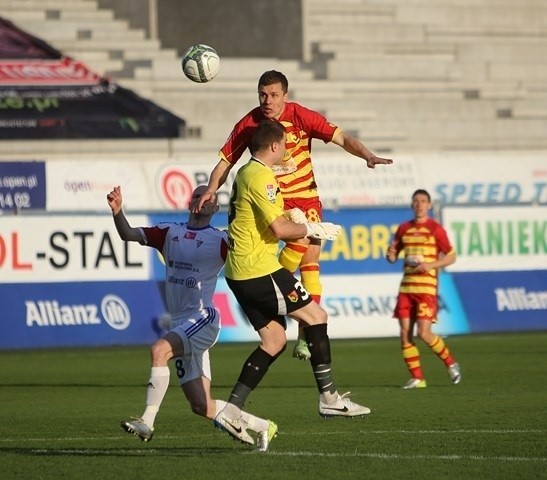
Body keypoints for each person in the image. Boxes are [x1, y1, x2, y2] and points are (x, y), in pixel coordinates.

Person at [193, 70, 393, 361]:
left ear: (285, 95)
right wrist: (212, 188)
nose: (267, 100)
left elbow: (342, 138)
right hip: (272, 200)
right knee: (294, 248)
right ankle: (287, 297)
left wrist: (367, 156)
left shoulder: (302, 116)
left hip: (305, 196)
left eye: (274, 95)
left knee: (309, 255)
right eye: (262, 94)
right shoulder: (250, 123)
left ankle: (304, 333)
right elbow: (225, 161)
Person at [213, 119, 371, 445]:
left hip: (239, 272)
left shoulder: (245, 173)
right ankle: (329, 398)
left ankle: (231, 409)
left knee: (273, 341)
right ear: (274, 146)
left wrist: (294, 218)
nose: (287, 149)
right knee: (317, 317)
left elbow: (271, 220)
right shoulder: (262, 176)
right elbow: (280, 231)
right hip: (259, 270)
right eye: (284, 144)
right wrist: (313, 229)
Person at [107, 184, 278, 452]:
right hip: (180, 323)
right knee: (202, 406)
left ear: (215, 208)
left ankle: (147, 421)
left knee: (159, 350)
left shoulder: (221, 239)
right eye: (198, 196)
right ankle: (263, 426)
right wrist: (118, 211)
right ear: (190, 203)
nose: (202, 200)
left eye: (209, 197)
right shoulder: (169, 233)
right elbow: (128, 233)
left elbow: (251, 258)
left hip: (203, 318)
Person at [386, 189, 461, 389]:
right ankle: (418, 378)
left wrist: (431, 265)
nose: (419, 204)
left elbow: (451, 256)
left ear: (429, 205)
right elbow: (393, 256)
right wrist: (391, 254)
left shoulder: (436, 229)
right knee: (404, 334)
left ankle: (451, 363)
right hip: (407, 288)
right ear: (412, 205)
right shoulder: (404, 229)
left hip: (426, 289)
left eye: (423, 201)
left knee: (424, 333)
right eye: (416, 201)